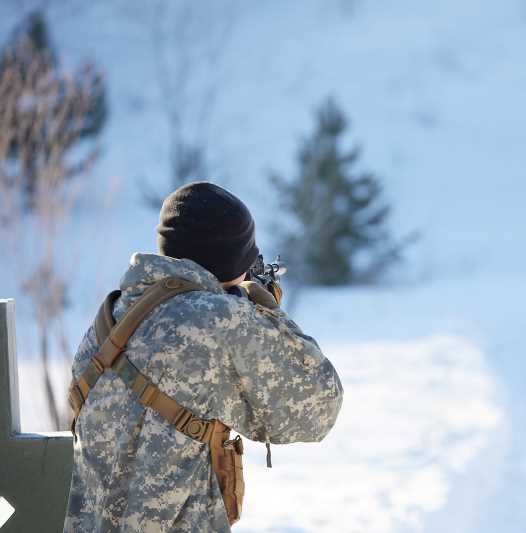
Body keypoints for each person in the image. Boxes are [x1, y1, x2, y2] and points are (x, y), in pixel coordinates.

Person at [62, 182, 343, 533]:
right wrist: (264, 311)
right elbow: (319, 406)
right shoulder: (219, 321)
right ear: (229, 263)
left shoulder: (110, 319)